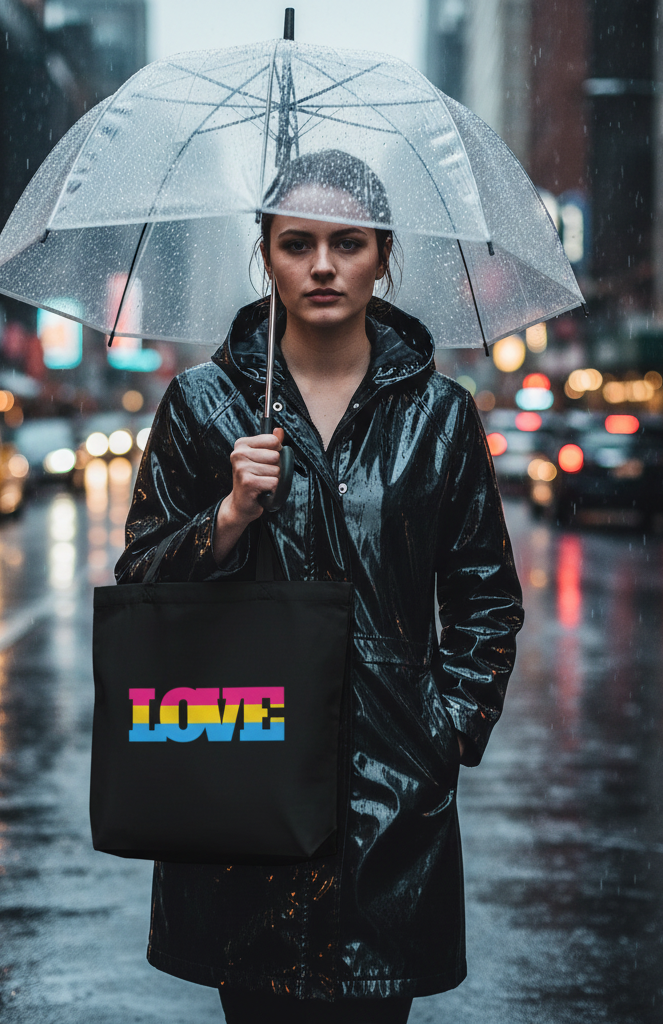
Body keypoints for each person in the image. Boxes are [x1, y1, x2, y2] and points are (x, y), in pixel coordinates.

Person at [115, 150, 523, 1024]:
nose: (324, 265)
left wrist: (443, 733)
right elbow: (141, 581)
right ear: (264, 253)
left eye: (348, 243)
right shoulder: (202, 406)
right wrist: (226, 517)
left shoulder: (441, 417)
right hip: (242, 786)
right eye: (297, 243)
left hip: (392, 809)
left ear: (384, 254)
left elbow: (486, 596)